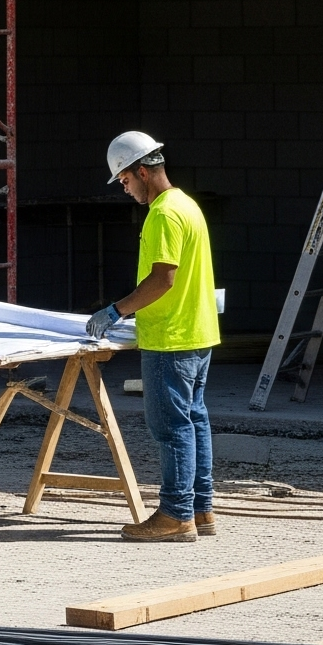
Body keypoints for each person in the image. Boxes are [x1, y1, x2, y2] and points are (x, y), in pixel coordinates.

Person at [89, 131, 219, 544]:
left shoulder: (163, 213)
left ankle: (176, 516)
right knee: (194, 421)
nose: (125, 189)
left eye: (125, 181)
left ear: (142, 171)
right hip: (196, 332)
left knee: (171, 428)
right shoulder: (187, 205)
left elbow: (162, 279)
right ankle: (201, 509)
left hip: (171, 339)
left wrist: (116, 310)